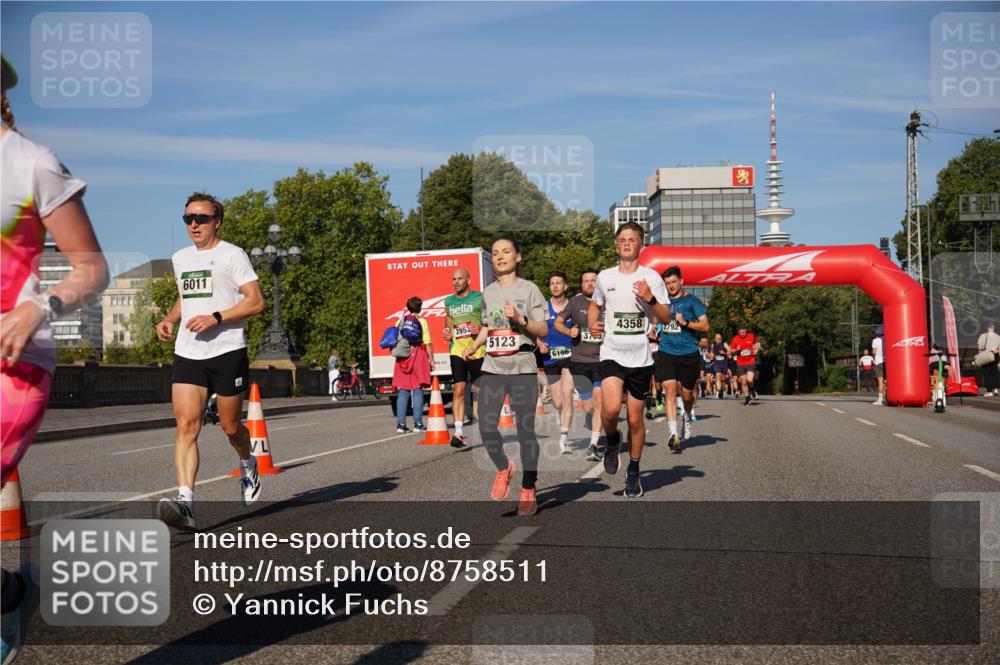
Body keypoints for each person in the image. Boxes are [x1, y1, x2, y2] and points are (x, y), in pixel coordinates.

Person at [1, 54, 110, 665]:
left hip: (13, 363)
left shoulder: (31, 163)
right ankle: (10, 592)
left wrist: (39, 306)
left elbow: (93, 268)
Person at [155, 192, 265, 530]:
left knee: (231, 427)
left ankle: (248, 463)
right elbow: (186, 296)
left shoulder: (233, 255)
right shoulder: (181, 258)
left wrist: (216, 317)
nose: (193, 224)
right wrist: (170, 318)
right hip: (189, 351)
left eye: (200, 218)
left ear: (216, 221)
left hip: (227, 350)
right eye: (188, 218)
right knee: (187, 426)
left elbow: (256, 301)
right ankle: (186, 502)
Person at [463, 236, 548, 516]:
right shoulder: (487, 293)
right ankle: (503, 468)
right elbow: (487, 327)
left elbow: (543, 330)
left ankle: (528, 487)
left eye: (506, 252)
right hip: (493, 366)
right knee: (486, 426)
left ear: (518, 257)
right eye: (496, 253)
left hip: (522, 366)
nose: (500, 257)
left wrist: (520, 320)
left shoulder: (530, 289)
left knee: (525, 433)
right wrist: (475, 345)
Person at [588, 222, 671, 499]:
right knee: (610, 410)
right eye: (622, 239)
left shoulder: (652, 278)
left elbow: (667, 316)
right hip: (611, 352)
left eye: (632, 240)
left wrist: (649, 298)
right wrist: (593, 325)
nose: (626, 244)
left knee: (635, 420)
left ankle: (634, 470)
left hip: (640, 356)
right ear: (616, 245)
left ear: (640, 245)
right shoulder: (605, 277)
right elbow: (595, 305)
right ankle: (612, 440)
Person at [656, 267, 710, 450]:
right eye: (667, 283)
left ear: (681, 281)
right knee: (669, 391)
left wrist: (685, 323)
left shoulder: (692, 301)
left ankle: (687, 416)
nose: (670, 286)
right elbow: (655, 321)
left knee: (687, 395)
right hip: (667, 351)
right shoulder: (662, 302)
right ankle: (673, 433)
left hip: (688, 353)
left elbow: (705, 325)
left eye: (673, 282)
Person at [555, 269, 604, 460]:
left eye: (593, 280)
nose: (590, 283)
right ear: (581, 284)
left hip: (601, 360)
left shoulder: (607, 301)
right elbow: (558, 323)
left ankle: (593, 445)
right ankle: (599, 429)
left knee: (599, 402)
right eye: (586, 281)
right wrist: (569, 333)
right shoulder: (574, 303)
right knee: (589, 407)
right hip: (579, 362)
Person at [442, 268, 483, 447]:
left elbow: (490, 322)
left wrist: (479, 329)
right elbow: (448, 321)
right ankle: (458, 433)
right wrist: (446, 332)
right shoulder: (449, 301)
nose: (456, 282)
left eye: (460, 278)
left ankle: (485, 426)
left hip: (477, 350)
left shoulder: (479, 298)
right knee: (458, 389)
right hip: (457, 349)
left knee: (481, 390)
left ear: (469, 280)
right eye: (454, 279)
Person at [537, 271, 575, 454]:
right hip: (550, 357)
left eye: (559, 283)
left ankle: (564, 438)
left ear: (565, 286)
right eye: (552, 283)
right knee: (558, 402)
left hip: (570, 355)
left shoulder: (572, 306)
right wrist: (539, 343)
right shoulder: (543, 307)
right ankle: (564, 427)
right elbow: (535, 329)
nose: (555, 286)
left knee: (567, 396)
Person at [393, 296, 433, 433]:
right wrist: (431, 359)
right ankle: (418, 423)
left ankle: (401, 425)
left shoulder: (400, 321)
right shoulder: (422, 321)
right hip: (418, 355)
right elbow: (427, 342)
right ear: (420, 308)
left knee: (403, 390)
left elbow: (395, 340)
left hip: (402, 357)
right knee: (417, 390)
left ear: (408, 307)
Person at [730, 326, 760, 406]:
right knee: (743, 381)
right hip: (740, 363)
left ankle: (752, 389)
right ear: (738, 332)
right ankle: (747, 398)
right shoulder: (735, 339)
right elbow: (731, 351)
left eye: (744, 332)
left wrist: (756, 349)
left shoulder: (751, 336)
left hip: (750, 361)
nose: (743, 334)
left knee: (749, 380)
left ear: (746, 331)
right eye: (741, 332)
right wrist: (736, 350)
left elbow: (756, 343)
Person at [977, 323, 1000, 397]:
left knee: (987, 373)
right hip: (995, 355)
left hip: (986, 354)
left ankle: (989, 391)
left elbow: (979, 347)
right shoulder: (998, 336)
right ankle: (996, 388)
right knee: (995, 373)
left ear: (987, 328)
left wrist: (980, 355)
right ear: (994, 328)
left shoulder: (983, 336)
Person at [711, 333, 729, 399]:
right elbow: (711, 353)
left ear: (721, 338)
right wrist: (711, 355)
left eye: (719, 338)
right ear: (714, 339)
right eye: (716, 338)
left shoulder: (724, 344)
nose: (718, 339)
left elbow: (730, 352)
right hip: (716, 363)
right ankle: (719, 391)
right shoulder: (713, 345)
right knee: (718, 377)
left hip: (724, 364)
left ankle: (723, 390)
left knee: (723, 379)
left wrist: (725, 353)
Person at [872, 325, 886, 405]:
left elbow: (874, 352)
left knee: (880, 381)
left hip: (879, 362)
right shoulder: (888, 339)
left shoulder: (875, 340)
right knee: (887, 381)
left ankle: (880, 400)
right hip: (888, 362)